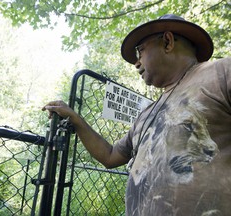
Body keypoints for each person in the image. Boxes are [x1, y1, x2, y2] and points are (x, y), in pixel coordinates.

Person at [43, 14, 231, 215]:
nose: (136, 63)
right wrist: (76, 119)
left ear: (167, 42)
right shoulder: (145, 114)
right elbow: (110, 156)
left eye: (140, 51)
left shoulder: (221, 72)